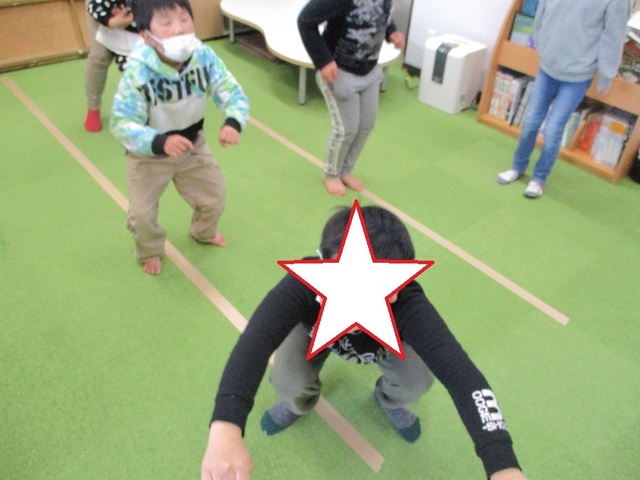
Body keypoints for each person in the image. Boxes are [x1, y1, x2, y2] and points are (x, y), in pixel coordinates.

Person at [200, 205, 527, 480]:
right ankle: (296, 403)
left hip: (383, 345)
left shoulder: (408, 303)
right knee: (289, 381)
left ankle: (389, 401)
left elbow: (462, 375)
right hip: (314, 335)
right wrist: (226, 426)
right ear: (323, 263)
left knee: (417, 380)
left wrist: (503, 466)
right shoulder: (303, 283)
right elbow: (255, 342)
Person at [110, 0, 249, 275]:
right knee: (141, 215)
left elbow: (231, 91)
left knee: (214, 198)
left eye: (185, 19)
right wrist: (160, 142)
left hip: (192, 145)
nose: (178, 29)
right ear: (146, 35)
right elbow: (122, 122)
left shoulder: (203, 56)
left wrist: (233, 121)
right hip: (148, 154)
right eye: (165, 22)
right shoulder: (138, 69)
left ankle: (203, 231)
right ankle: (149, 250)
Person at [497, 0, 630, 198]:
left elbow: (613, 35)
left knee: (553, 129)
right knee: (531, 121)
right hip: (548, 65)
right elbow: (543, 10)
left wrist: (606, 74)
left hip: (578, 75)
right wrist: (540, 41)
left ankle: (539, 179)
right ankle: (517, 167)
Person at [297, 0, 405, 196]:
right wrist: (323, 61)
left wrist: (392, 32)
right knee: (346, 130)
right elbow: (305, 21)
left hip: (369, 71)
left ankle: (345, 170)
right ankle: (331, 173)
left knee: (366, 125)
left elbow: (383, 15)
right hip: (340, 74)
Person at [84, 0, 141, 132]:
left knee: (137, 68)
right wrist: (111, 21)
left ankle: (140, 110)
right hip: (106, 12)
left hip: (139, 20)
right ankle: (93, 107)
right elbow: (95, 7)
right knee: (99, 56)